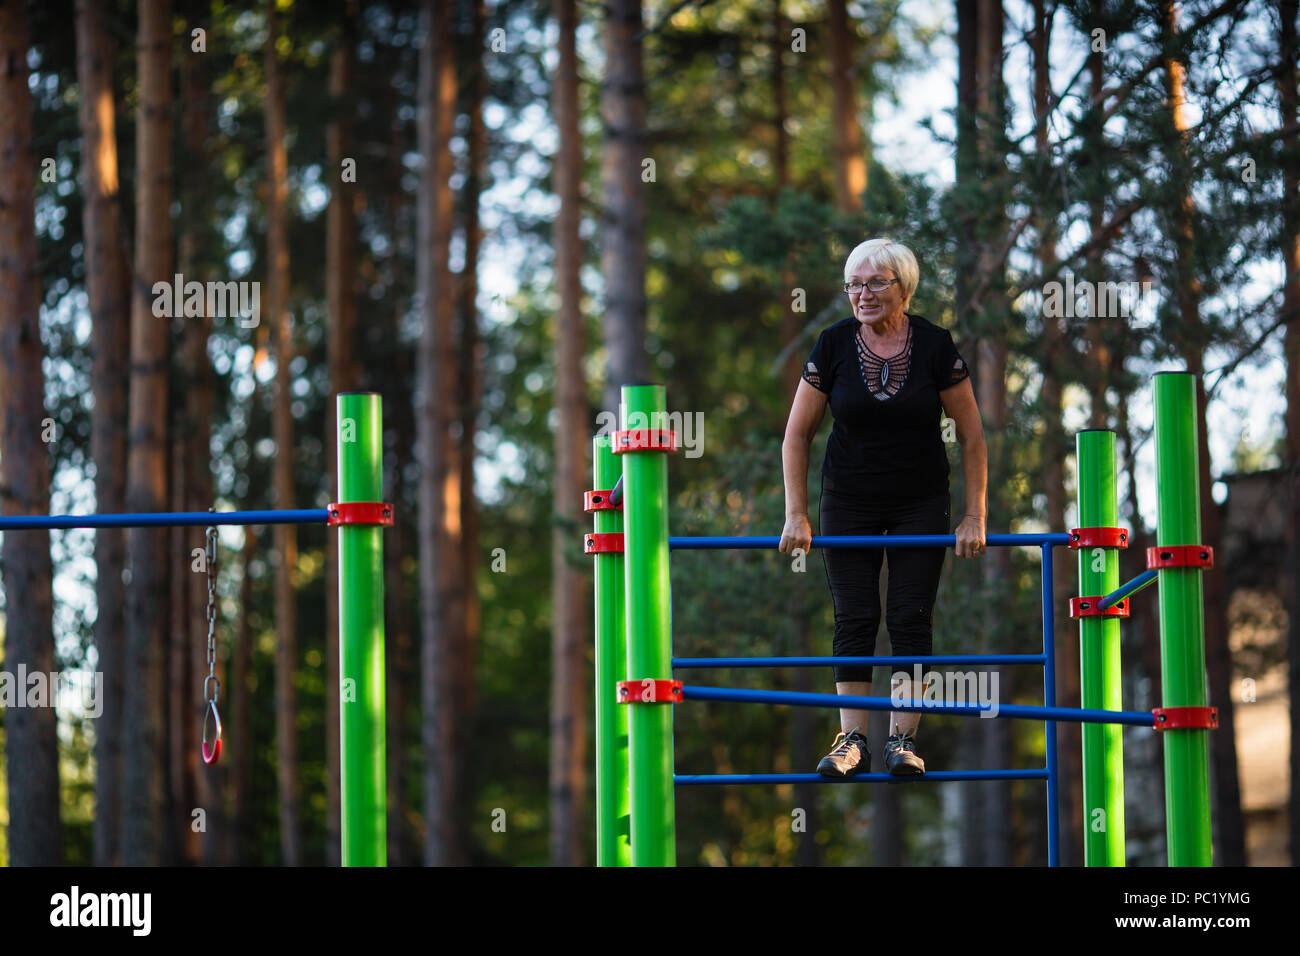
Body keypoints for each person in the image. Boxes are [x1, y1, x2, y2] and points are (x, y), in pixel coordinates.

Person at [778, 237, 987, 777]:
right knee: (855, 615)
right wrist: (796, 513)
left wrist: (975, 514)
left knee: (910, 616)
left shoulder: (937, 345)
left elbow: (972, 434)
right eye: (853, 284)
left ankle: (902, 741)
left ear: (904, 287)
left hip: (921, 501)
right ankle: (853, 740)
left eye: (875, 283)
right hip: (848, 500)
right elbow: (797, 434)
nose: (862, 294)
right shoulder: (832, 344)